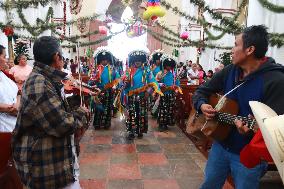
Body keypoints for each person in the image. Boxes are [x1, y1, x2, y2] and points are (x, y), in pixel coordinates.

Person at [192, 25, 284, 189]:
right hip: (220, 146)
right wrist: (202, 105)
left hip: (248, 154)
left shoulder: (276, 80)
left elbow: (277, 129)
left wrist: (252, 132)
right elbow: (201, 91)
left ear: (249, 50)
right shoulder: (230, 71)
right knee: (209, 185)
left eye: (235, 44)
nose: (231, 50)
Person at [12, 36, 89, 189]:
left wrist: (75, 100)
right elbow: (62, 124)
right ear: (57, 57)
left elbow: (52, 109)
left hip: (56, 164)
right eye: (62, 57)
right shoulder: (39, 83)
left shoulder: (45, 78)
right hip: (46, 168)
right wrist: (82, 112)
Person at [121, 50, 163, 139]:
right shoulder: (128, 71)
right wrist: (125, 83)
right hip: (131, 96)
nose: (137, 61)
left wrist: (148, 91)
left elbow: (153, 82)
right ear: (132, 60)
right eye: (136, 60)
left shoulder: (147, 70)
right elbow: (122, 83)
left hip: (143, 96)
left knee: (141, 113)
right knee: (131, 113)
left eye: (139, 60)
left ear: (142, 60)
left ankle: (140, 130)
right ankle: (131, 131)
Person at [89, 47, 120, 129]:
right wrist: (93, 84)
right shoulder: (95, 69)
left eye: (106, 59)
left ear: (109, 60)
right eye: (102, 59)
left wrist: (115, 86)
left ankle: (106, 123)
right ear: (99, 60)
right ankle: (97, 124)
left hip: (109, 91)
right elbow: (91, 80)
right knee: (98, 108)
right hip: (98, 91)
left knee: (108, 107)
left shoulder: (113, 69)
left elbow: (117, 79)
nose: (104, 61)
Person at [156, 54, 182, 131]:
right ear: (164, 65)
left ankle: (166, 123)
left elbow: (177, 84)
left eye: (170, 66)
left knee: (169, 109)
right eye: (167, 65)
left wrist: (177, 90)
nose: (169, 67)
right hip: (163, 94)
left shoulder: (174, 74)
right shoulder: (161, 74)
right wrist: (160, 84)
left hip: (171, 94)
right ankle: (161, 124)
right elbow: (155, 82)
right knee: (163, 109)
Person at [0, 45, 20, 132]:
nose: (6, 60)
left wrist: (17, 106)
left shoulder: (3, 74)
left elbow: (18, 92)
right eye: (4, 57)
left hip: (15, 122)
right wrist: (8, 108)